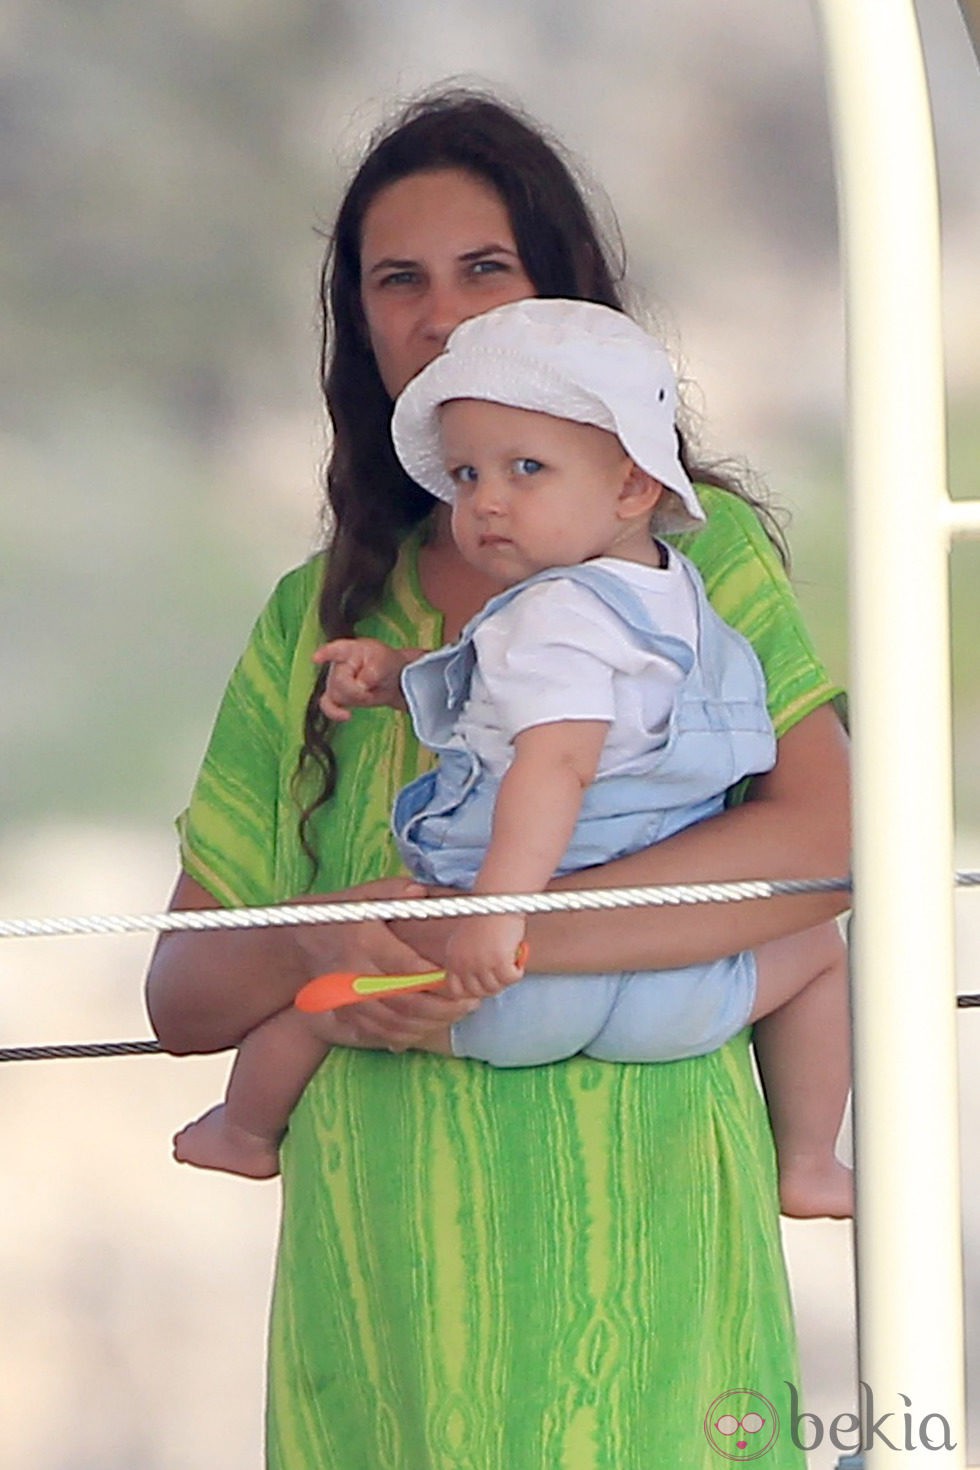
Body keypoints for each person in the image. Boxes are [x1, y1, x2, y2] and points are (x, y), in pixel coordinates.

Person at [145, 89, 851, 1470]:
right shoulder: (316, 619)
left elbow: (825, 846)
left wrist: (502, 946)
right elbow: (181, 995)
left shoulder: (699, 582)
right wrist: (327, 938)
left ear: (568, 302)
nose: (443, 314)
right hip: (385, 1289)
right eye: (397, 280)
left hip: (650, 1254)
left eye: (488, 270)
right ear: (360, 326)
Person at [172, 297, 852, 1225]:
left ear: (630, 487)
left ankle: (241, 1135)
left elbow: (553, 763)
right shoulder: (675, 599)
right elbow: (527, 689)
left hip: (512, 980)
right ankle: (811, 1159)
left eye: (525, 469)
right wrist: (403, 678)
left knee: (321, 1009)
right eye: (465, 476)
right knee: (815, 954)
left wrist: (498, 917)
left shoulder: (551, 615)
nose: (486, 500)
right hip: (681, 986)